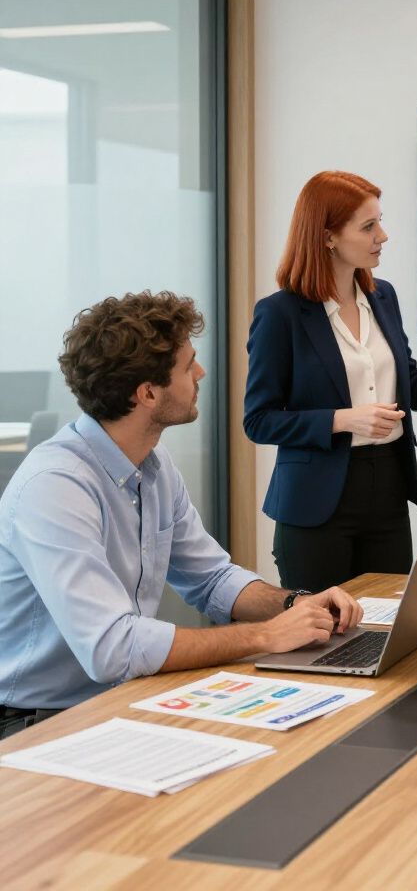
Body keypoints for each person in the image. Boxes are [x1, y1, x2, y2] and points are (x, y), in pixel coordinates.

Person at [0, 292, 363, 739]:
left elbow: (212, 579)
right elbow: (113, 648)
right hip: (35, 723)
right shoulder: (55, 487)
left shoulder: (152, 464)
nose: (201, 373)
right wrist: (266, 636)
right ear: (148, 393)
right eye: (188, 365)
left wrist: (296, 605)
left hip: (117, 699)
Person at [245, 170, 417, 590]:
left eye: (380, 222)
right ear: (328, 237)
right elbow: (259, 420)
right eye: (368, 226)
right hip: (315, 503)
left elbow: (414, 391)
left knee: (388, 619)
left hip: (387, 489)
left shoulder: (382, 297)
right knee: (323, 625)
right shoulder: (280, 314)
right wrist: (343, 419)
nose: (383, 236)